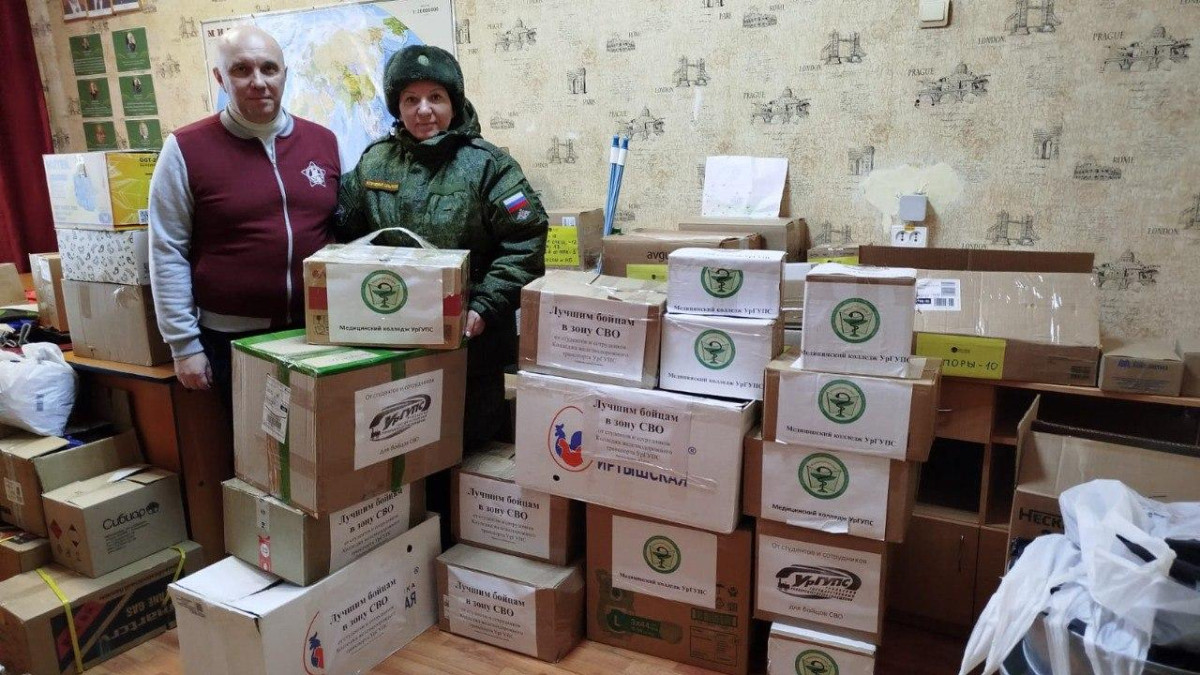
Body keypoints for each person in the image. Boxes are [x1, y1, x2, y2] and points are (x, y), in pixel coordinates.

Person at [337, 45, 547, 449]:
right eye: (410, 100)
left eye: (436, 97)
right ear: (397, 107)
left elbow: (525, 241)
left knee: (469, 450)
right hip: (393, 338)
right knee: (402, 446)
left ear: (454, 102)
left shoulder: (489, 166)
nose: (424, 110)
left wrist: (484, 305)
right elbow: (347, 235)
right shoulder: (374, 163)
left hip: (472, 345)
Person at [148, 25, 340, 406]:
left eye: (269, 68)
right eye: (241, 70)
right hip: (232, 340)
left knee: (321, 437)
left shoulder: (324, 141)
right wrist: (183, 345)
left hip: (316, 331)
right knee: (253, 440)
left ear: (284, 74)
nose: (258, 82)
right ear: (220, 77)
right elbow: (167, 249)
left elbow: (342, 232)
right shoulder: (186, 148)